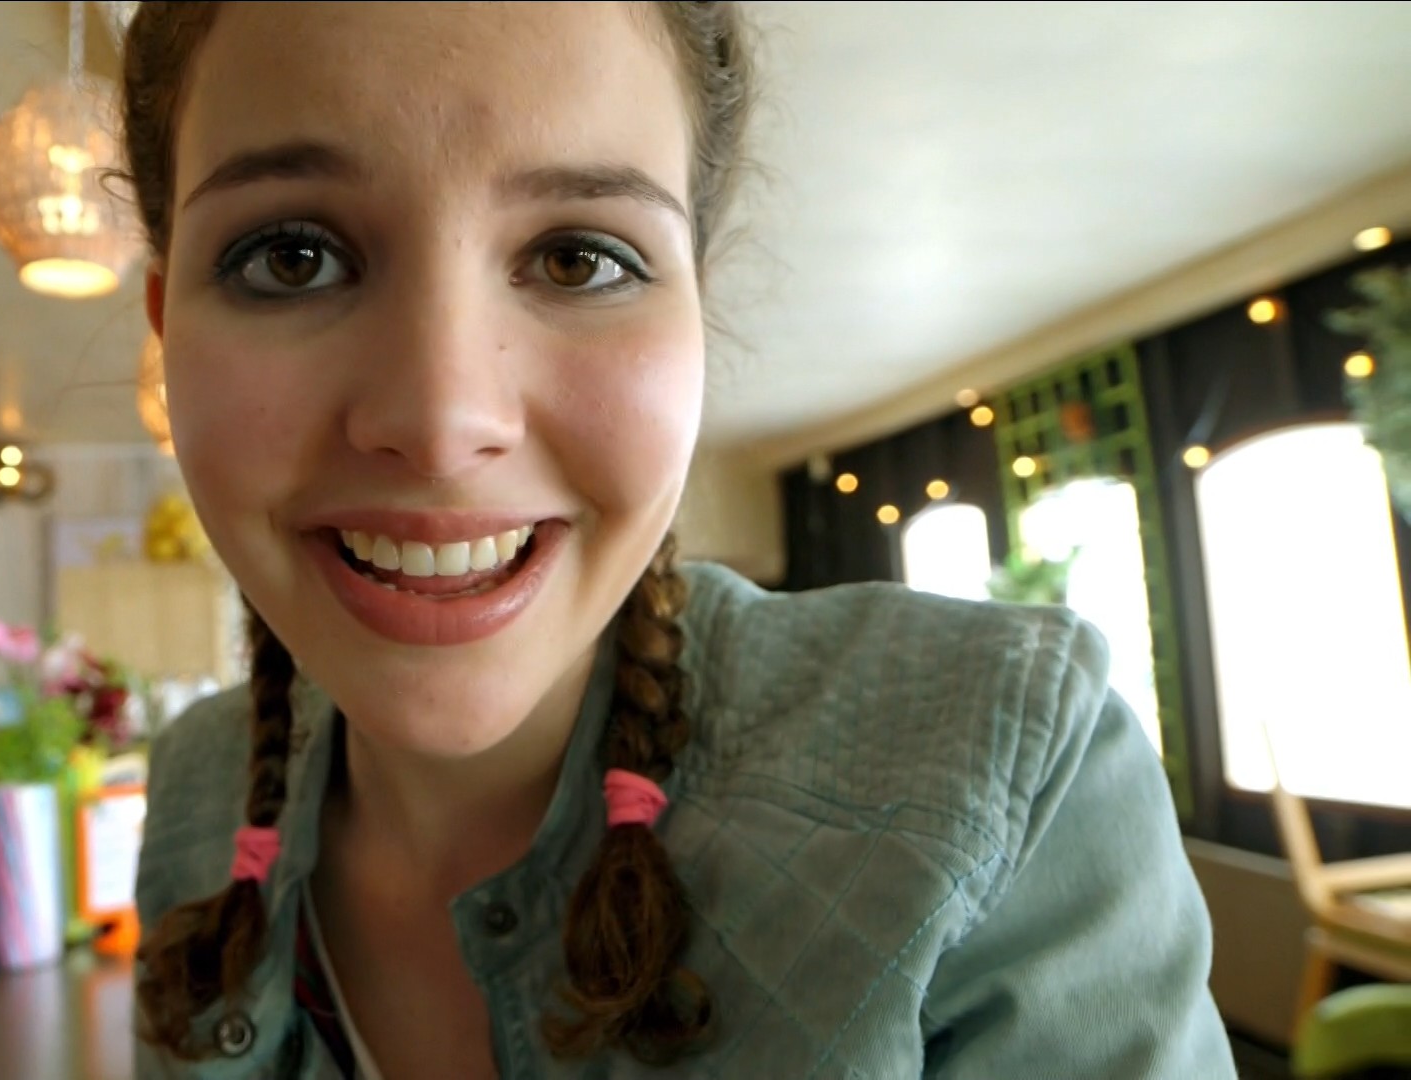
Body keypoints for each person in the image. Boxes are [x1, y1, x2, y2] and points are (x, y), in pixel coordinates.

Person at [118, 3, 1236, 1077]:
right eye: (291, 257)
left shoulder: (1005, 772)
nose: (443, 421)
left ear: (694, 313)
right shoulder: (199, 793)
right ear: (167, 334)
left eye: (579, 258)